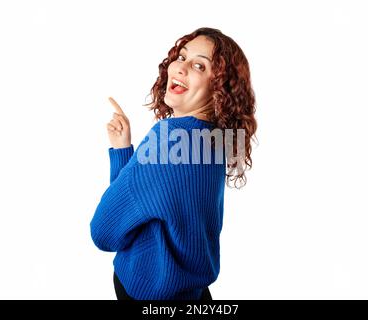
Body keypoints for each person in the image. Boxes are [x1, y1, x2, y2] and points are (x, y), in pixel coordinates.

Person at [90, 27, 257, 300]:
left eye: (199, 65)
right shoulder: (215, 140)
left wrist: (123, 156)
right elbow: (155, 203)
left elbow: (104, 233)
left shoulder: (166, 144)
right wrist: (124, 150)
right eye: (181, 56)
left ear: (218, 88)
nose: (180, 67)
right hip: (194, 294)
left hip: (146, 294)